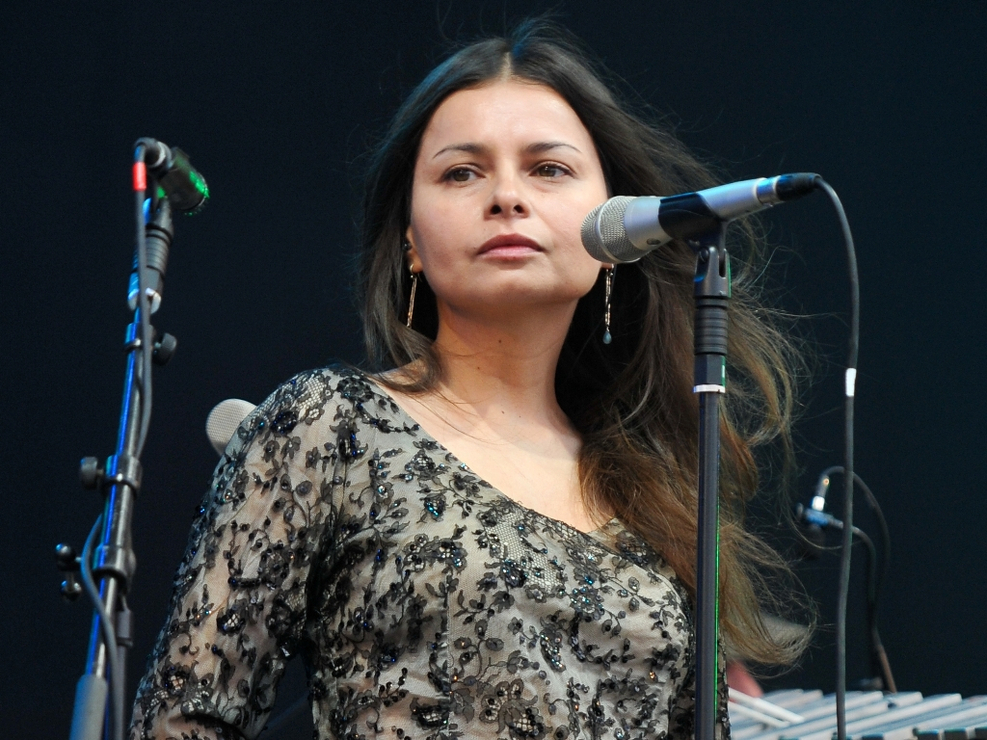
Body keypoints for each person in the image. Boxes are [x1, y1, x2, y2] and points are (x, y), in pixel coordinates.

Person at [130, 20, 808, 740]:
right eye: (461, 172)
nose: (506, 196)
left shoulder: (655, 491)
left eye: (548, 169)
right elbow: (183, 720)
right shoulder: (330, 424)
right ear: (410, 242)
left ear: (615, 234)